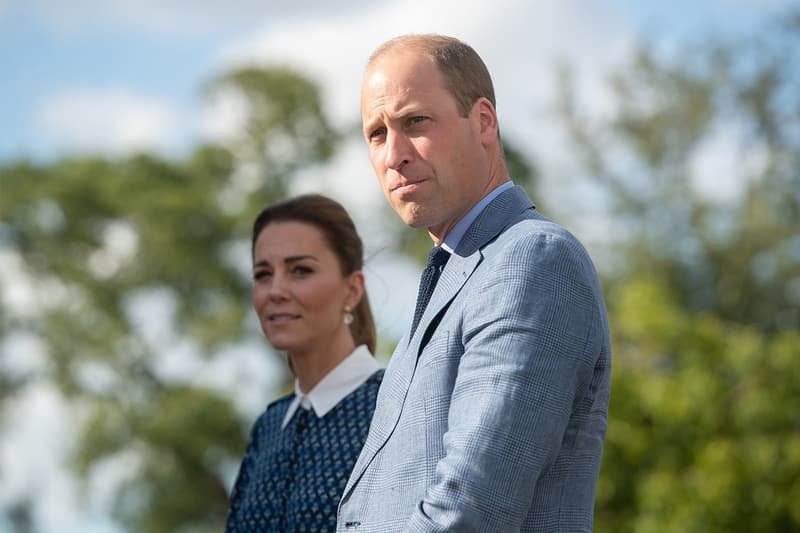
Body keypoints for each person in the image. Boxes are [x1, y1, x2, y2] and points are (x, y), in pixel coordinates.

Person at [337, 34, 612, 532]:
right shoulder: (454, 273)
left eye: (415, 121)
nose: (394, 154)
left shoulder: (531, 260)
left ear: (484, 121)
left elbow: (471, 509)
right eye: (376, 134)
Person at [225, 194, 384, 533]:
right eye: (263, 274)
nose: (276, 290)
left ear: (352, 289)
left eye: (301, 270)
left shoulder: (395, 407)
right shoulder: (267, 428)